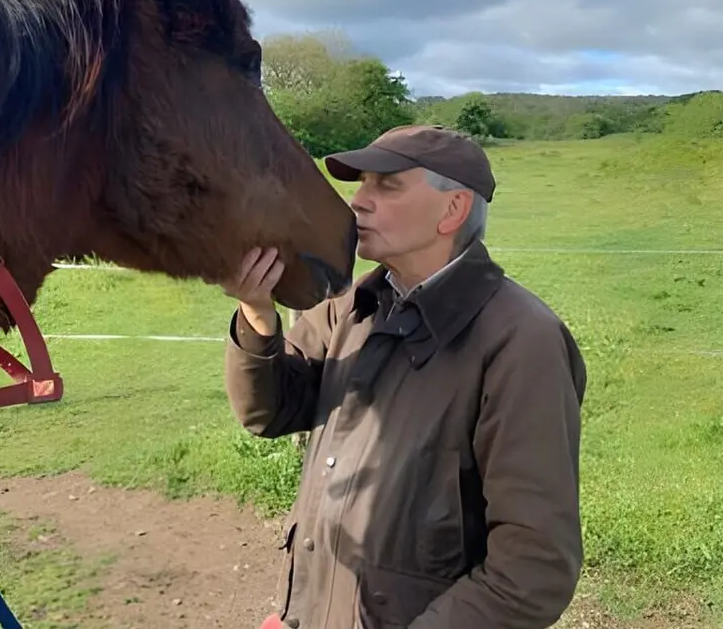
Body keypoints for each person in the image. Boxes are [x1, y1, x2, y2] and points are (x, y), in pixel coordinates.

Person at [222, 125, 587, 629]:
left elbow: (534, 566)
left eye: (386, 185)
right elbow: (268, 411)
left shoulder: (522, 341)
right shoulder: (350, 307)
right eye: (362, 183)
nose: (358, 202)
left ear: (453, 209)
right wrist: (258, 314)